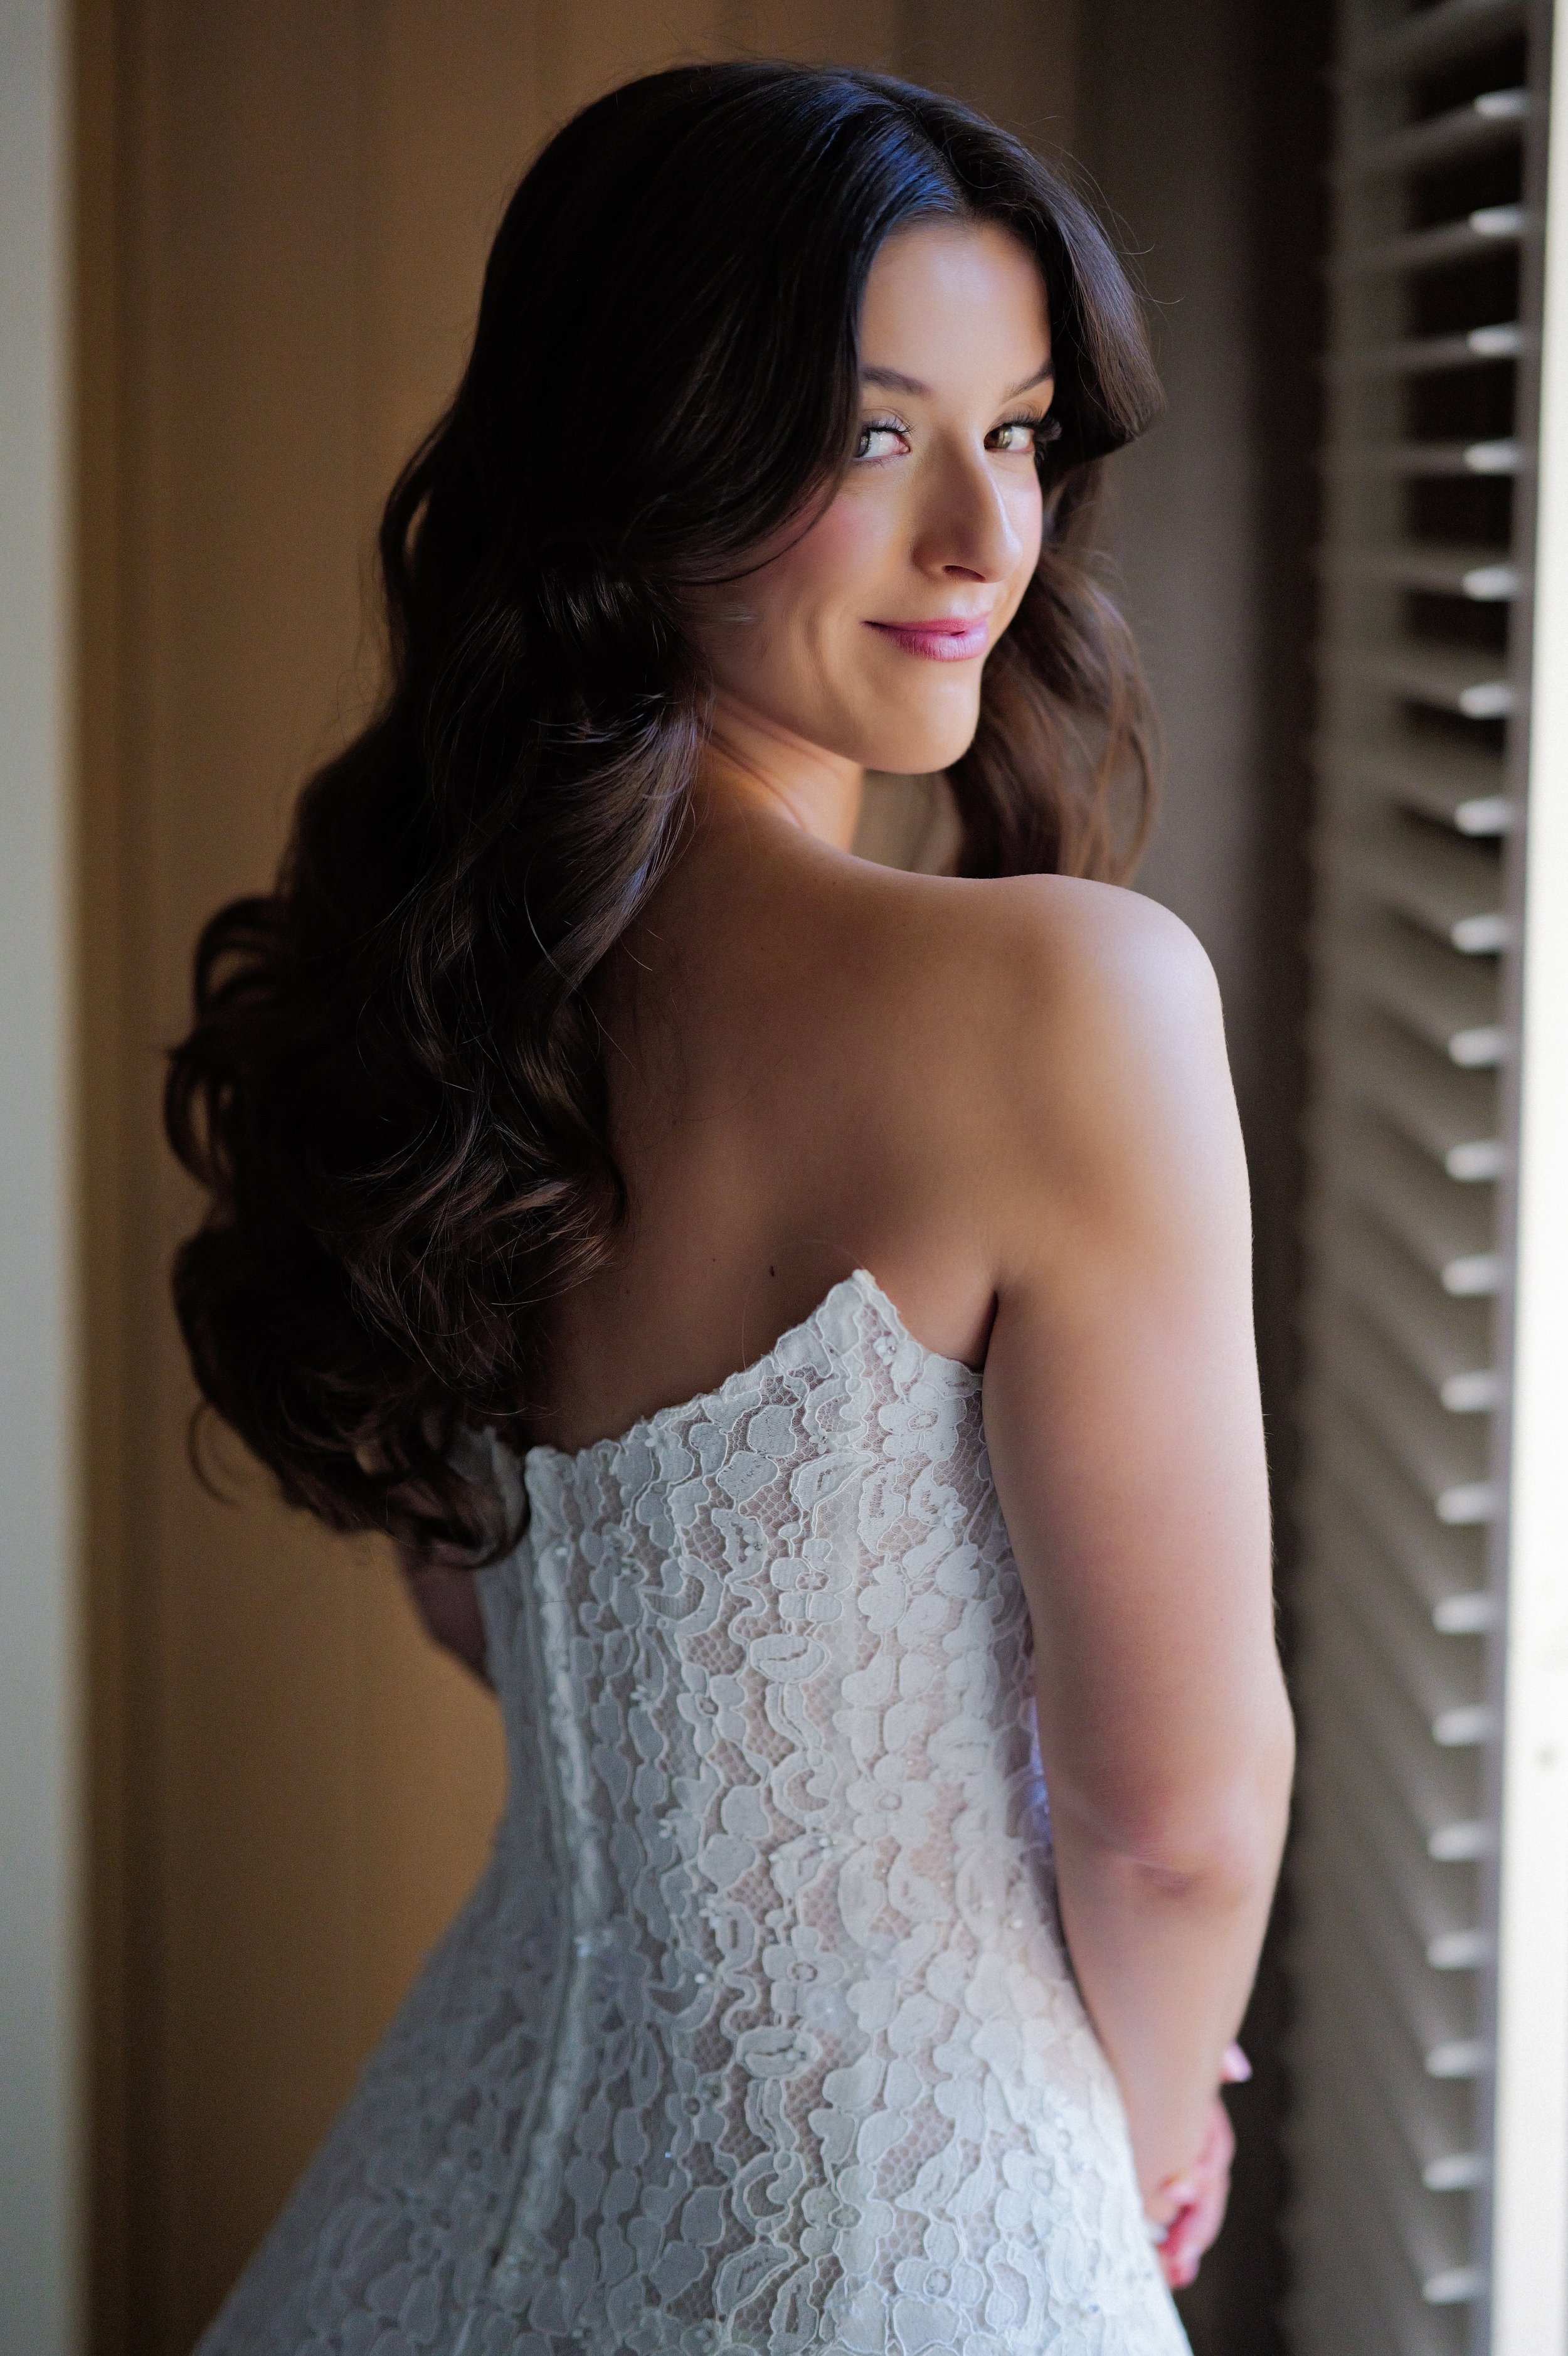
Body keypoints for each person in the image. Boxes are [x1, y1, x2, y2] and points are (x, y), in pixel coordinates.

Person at [167, 59, 1294, 2356]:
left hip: (439, 2207)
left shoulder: (438, 1001)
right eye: (873, 436)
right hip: (906, 2249)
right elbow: (1175, 1812)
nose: (986, 536)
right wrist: (1151, 2135)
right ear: (641, 460)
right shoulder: (1065, 1004)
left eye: (1023, 426)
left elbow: (490, 1615)